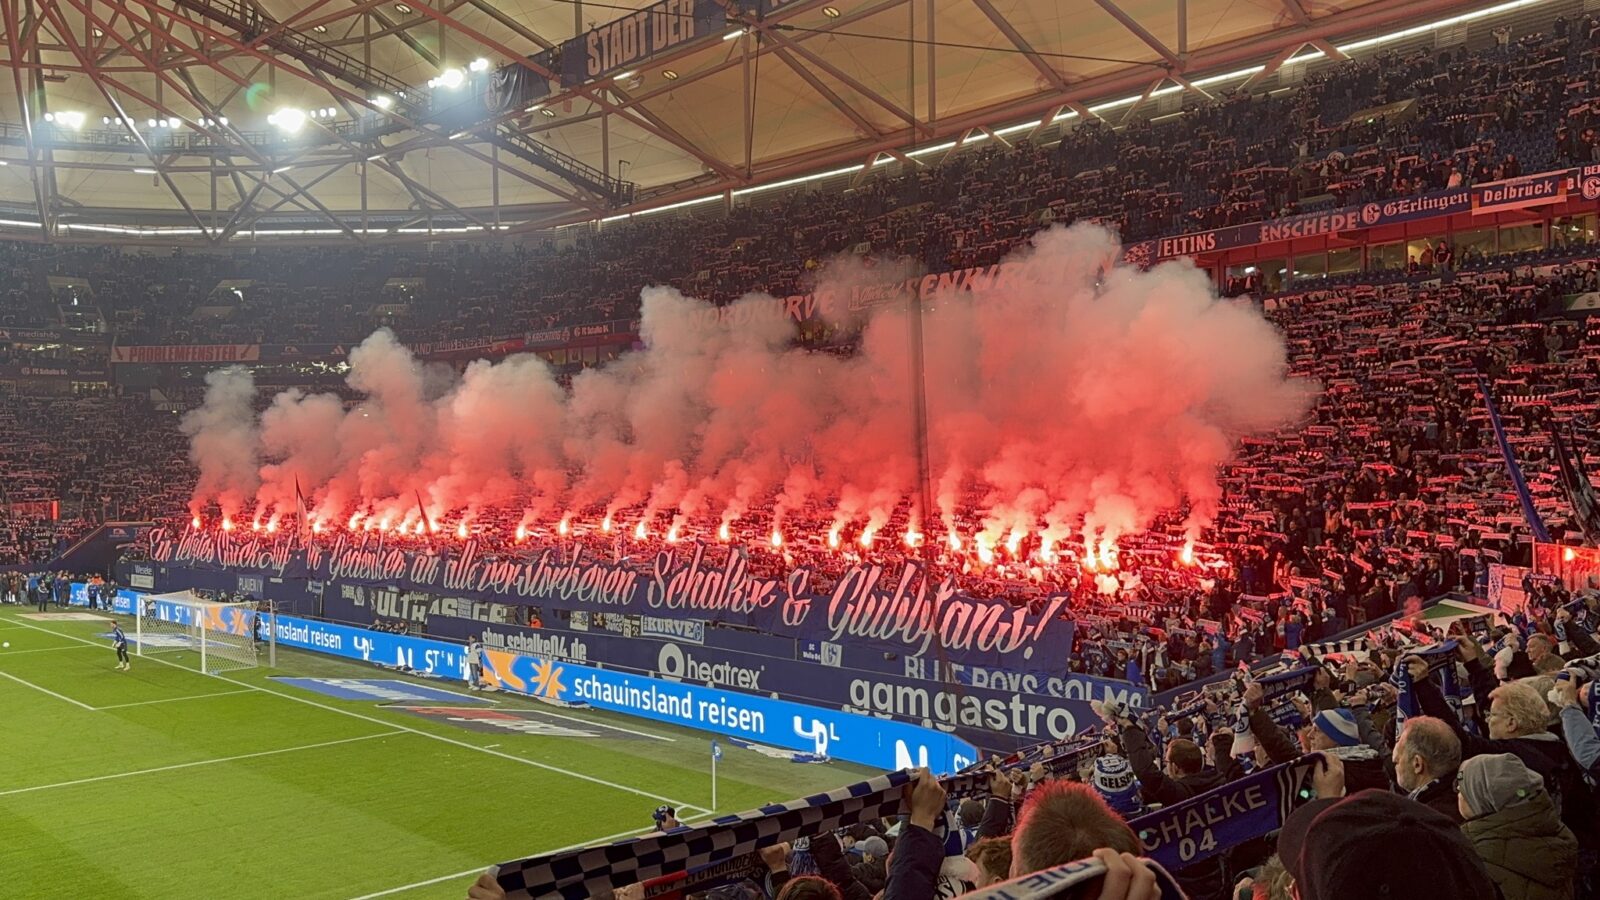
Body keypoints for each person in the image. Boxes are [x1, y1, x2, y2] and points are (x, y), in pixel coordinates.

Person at [1457, 753, 1578, 900]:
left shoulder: (1475, 855)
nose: (1458, 792)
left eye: (1462, 788)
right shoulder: (1555, 832)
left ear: (1481, 799)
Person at [1392, 716, 1465, 822]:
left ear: (1417, 764)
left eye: (1397, 762)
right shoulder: (1467, 803)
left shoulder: (1420, 821)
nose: (1395, 767)